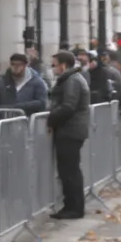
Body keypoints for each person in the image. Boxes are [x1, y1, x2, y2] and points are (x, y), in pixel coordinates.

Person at [47, 51, 91, 220]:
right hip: (70, 130)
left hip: (70, 131)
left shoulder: (72, 80)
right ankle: (71, 205)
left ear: (63, 65)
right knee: (68, 170)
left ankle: (74, 207)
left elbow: (68, 106)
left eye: (54, 65)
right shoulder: (73, 79)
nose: (53, 69)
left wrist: (51, 118)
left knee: (69, 171)